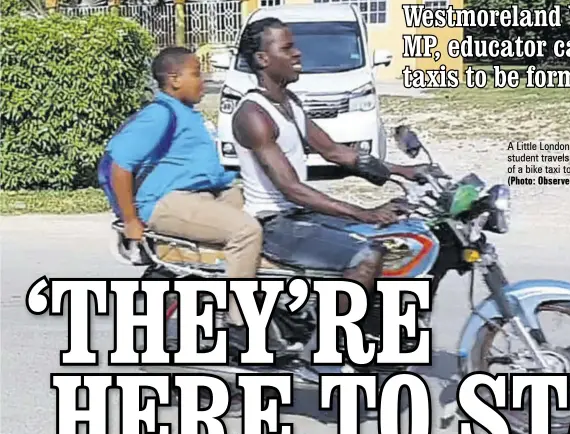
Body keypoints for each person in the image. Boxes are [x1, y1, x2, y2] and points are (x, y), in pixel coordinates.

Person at [230, 17, 433, 333]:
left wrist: (404, 170)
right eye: (287, 48)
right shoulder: (253, 114)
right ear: (262, 59)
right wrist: (365, 212)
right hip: (275, 224)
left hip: (300, 215)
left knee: (396, 234)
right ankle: (331, 354)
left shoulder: (289, 102)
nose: (297, 53)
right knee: (367, 255)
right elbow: (291, 188)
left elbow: (335, 152)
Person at [107, 46, 262, 325]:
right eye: (196, 74)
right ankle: (241, 324)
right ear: (174, 79)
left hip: (205, 195)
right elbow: (120, 165)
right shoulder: (160, 114)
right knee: (246, 232)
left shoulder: (186, 113)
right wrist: (130, 220)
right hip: (167, 202)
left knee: (269, 214)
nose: (203, 81)